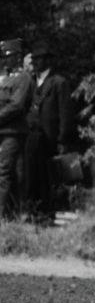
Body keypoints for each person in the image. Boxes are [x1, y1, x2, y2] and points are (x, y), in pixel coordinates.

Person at [22, 45, 75, 222]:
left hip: (49, 137)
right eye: (34, 59)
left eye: (39, 59)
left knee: (46, 177)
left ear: (48, 61)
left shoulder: (59, 83)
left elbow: (65, 114)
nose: (35, 62)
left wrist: (62, 139)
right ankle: (31, 212)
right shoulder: (30, 82)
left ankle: (45, 214)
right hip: (30, 135)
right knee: (30, 175)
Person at [0, 39, 34, 219]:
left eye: (9, 57)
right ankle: (12, 214)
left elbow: (16, 106)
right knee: (14, 173)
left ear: (18, 56)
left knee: (3, 171)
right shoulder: (5, 78)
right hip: (3, 131)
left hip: (13, 132)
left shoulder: (23, 78)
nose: (5, 61)